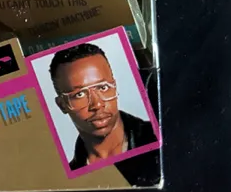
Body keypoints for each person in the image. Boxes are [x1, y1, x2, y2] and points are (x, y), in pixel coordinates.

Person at [49, 41, 157, 171]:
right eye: (79, 94)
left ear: (114, 87)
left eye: (103, 87)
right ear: (62, 105)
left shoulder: (159, 134)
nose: (97, 104)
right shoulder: (68, 174)